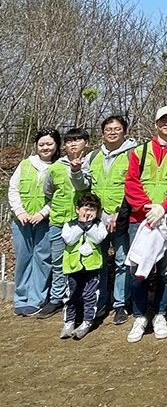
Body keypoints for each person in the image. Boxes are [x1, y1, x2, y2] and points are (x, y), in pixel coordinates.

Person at [123, 106, 167, 343]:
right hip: (140, 220)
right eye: (162, 120)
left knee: (164, 272)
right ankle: (139, 316)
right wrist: (147, 207)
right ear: (156, 124)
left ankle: (161, 315)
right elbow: (131, 183)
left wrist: (163, 208)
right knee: (138, 272)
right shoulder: (140, 151)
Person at [73, 115, 137, 325]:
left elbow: (134, 186)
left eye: (117, 129)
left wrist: (120, 212)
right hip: (97, 220)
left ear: (124, 132)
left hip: (121, 217)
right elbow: (83, 185)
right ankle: (98, 301)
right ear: (102, 132)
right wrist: (75, 170)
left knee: (121, 261)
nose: (112, 132)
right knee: (97, 262)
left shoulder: (132, 154)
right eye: (108, 128)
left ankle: (120, 303)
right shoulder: (92, 156)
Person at [8, 129, 61, 316]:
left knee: (42, 259)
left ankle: (36, 298)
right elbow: (13, 189)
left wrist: (43, 213)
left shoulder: (59, 166)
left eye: (49, 144)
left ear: (56, 145)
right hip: (21, 221)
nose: (45, 147)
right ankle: (20, 297)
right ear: (36, 146)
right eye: (42, 144)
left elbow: (59, 194)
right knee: (23, 258)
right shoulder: (25, 164)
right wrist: (20, 212)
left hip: (45, 221)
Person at [41, 127, 90, 319]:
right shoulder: (54, 168)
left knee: (81, 261)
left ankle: (79, 298)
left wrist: (76, 169)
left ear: (86, 142)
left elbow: (84, 186)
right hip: (58, 221)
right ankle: (56, 298)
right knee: (58, 262)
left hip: (82, 223)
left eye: (78, 140)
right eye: (69, 141)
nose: (73, 144)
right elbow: (48, 191)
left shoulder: (90, 163)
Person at [59, 193, 108, 340]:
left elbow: (99, 238)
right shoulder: (70, 225)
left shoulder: (99, 225)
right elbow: (69, 239)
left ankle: (87, 321)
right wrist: (81, 225)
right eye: (85, 209)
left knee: (90, 295)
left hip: (92, 267)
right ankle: (69, 322)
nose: (88, 213)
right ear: (77, 210)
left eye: (92, 209)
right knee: (71, 295)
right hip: (73, 267)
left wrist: (89, 226)